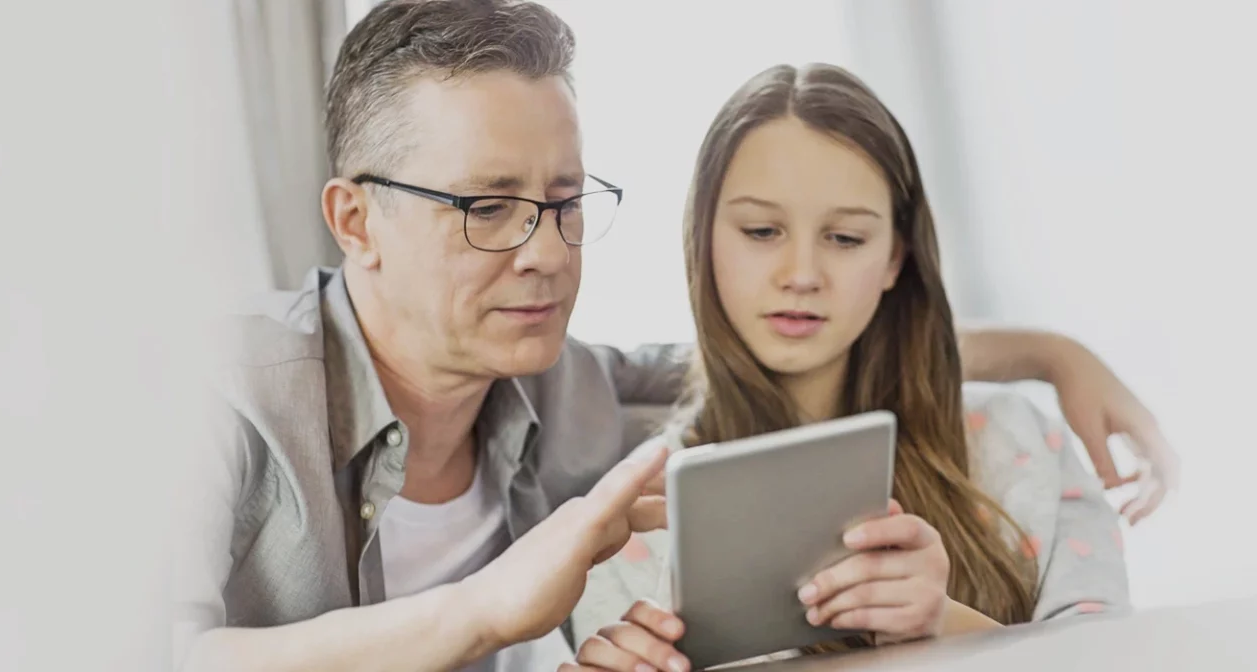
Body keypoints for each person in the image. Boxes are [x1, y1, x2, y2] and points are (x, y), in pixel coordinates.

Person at [178, 2, 1165, 671]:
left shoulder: (570, 392)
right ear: (354, 222)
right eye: (486, 206)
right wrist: (477, 610)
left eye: (565, 201)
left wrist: (1050, 351)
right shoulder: (212, 397)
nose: (544, 253)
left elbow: (788, 340)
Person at [564, 62, 1133, 672]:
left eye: (845, 238)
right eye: (761, 230)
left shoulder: (1022, 443)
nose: (802, 274)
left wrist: (944, 621)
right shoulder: (631, 518)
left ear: (896, 259)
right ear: (703, 239)